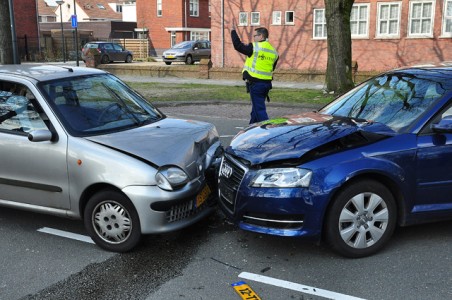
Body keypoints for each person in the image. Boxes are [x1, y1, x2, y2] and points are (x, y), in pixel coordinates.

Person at [231, 23, 279, 124]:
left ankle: (267, 131)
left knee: (260, 111)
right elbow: (271, 68)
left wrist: (233, 31)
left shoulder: (255, 47)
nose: (254, 38)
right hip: (266, 85)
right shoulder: (274, 52)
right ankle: (251, 128)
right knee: (256, 110)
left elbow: (238, 45)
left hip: (256, 84)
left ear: (261, 36)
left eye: (255, 36)